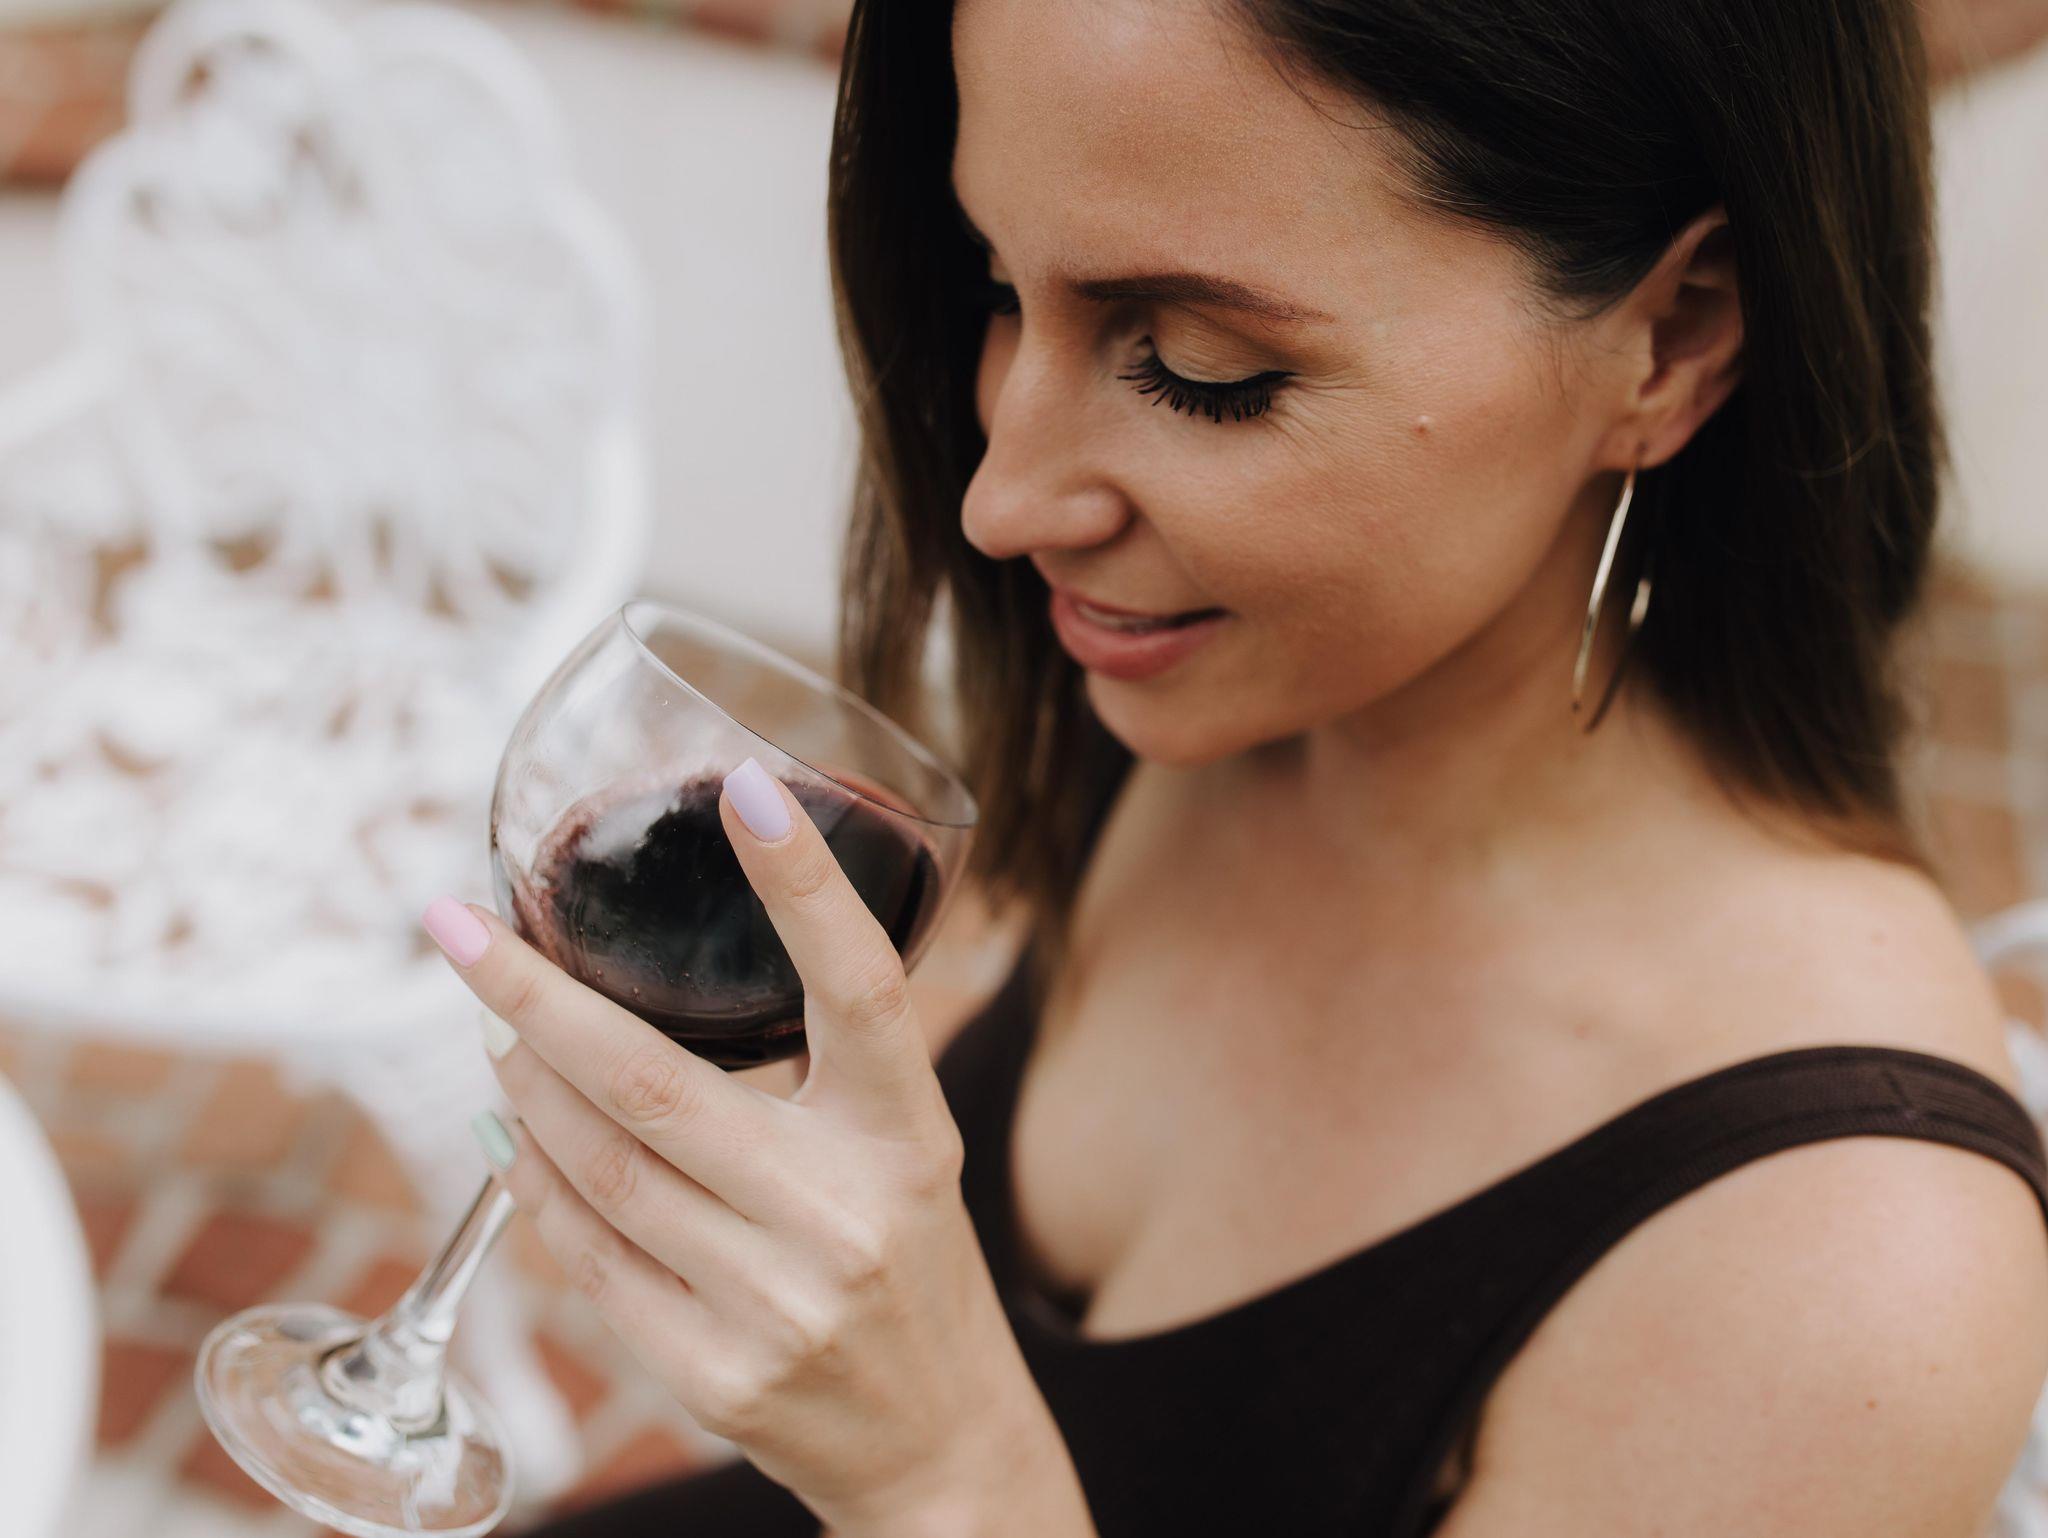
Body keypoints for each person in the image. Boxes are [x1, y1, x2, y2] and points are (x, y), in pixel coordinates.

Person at [418, 0, 2048, 1532]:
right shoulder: (1231, 703)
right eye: (998, 287)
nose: (1000, 501)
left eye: (1200, 367)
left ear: (1672, 339)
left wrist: (941, 1475)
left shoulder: (1848, 1280)